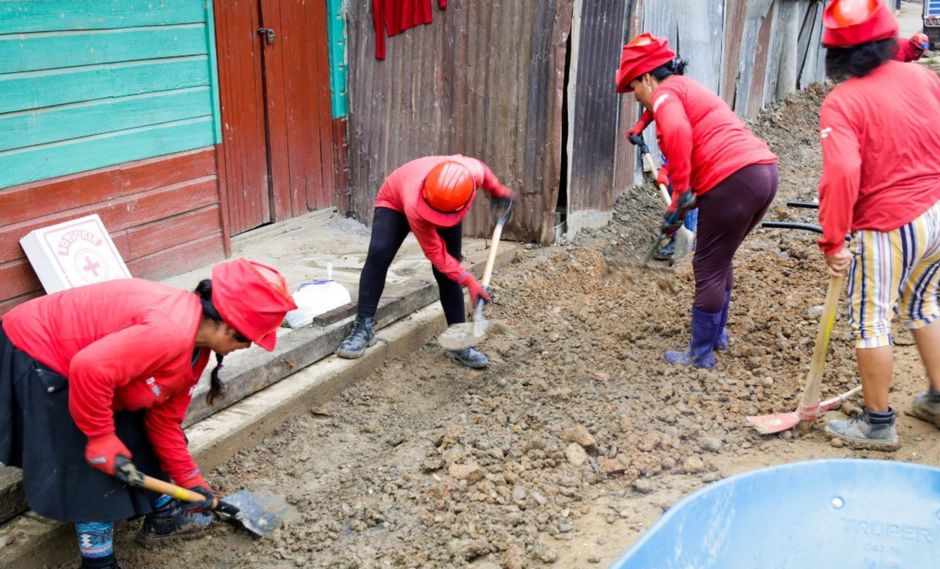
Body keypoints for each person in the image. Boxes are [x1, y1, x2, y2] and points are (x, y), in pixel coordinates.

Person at [0, 259, 297, 569]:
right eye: (249, 339)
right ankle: (99, 563)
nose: (248, 347)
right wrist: (100, 437)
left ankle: (165, 514)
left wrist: (190, 480)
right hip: (35, 353)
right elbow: (88, 369)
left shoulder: (195, 350)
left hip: (87, 366)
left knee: (138, 426)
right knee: (89, 462)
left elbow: (163, 421)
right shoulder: (169, 331)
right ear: (228, 326)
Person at [816, 0, 940, 450]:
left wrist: (834, 240)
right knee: (922, 304)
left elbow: (842, 174)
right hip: (936, 214)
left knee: (871, 320)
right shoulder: (923, 77)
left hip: (888, 226)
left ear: (836, 54)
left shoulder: (843, 102)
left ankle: (878, 423)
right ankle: (937, 400)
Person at [616, 33, 779, 369]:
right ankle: (716, 335)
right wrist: (640, 124)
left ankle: (700, 354)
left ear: (647, 77)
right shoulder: (680, 87)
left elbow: (676, 130)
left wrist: (680, 195)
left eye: (634, 88)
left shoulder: (664, 98)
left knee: (706, 265)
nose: (636, 98)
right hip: (761, 173)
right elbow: (660, 111)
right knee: (719, 259)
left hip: (732, 179)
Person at [335, 155, 515, 369]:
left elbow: (484, 172)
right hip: (395, 199)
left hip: (448, 204)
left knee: (448, 272)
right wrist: (468, 281)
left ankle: (458, 341)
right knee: (379, 253)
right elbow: (437, 255)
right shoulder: (414, 205)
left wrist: (497, 190)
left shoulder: (471, 172)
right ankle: (363, 326)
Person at [628, 109, 698, 261]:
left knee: (685, 195)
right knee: (673, 191)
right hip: (673, 154)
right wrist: (639, 126)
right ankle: (682, 237)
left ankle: (686, 238)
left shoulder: (676, 112)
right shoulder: (658, 99)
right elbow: (650, 111)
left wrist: (666, 170)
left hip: (687, 155)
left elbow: (683, 151)